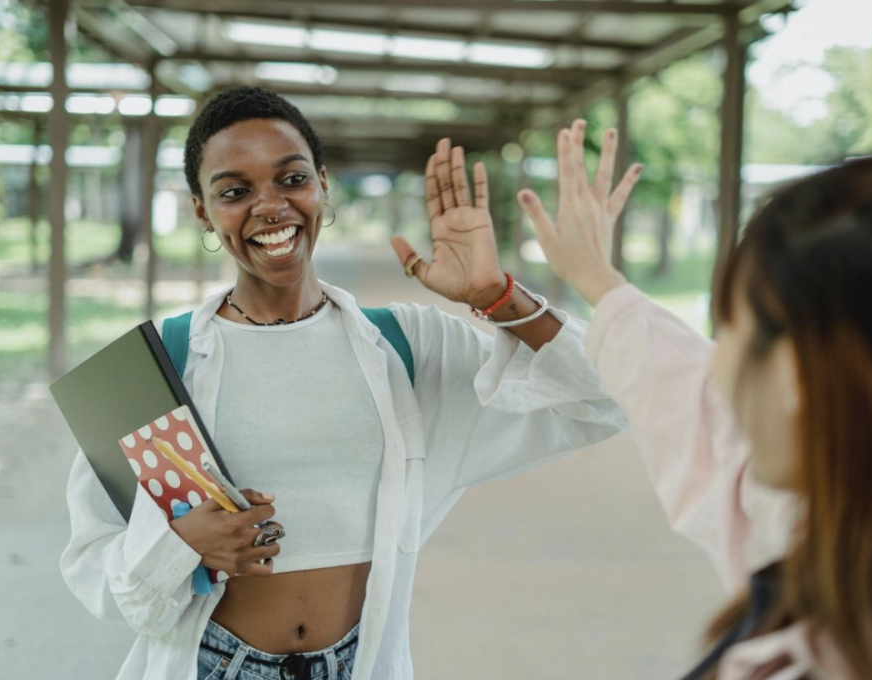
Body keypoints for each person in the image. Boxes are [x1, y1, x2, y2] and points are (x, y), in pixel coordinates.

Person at [59, 87, 628, 680]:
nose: (270, 206)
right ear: (202, 210)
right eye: (234, 191)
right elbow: (95, 568)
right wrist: (183, 546)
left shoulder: (408, 348)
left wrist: (498, 296)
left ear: (323, 185)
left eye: (291, 179)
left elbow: (608, 396)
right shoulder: (153, 370)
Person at [520, 120, 872, 679]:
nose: (715, 368)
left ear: (794, 379)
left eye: (727, 326)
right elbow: (699, 410)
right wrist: (597, 278)